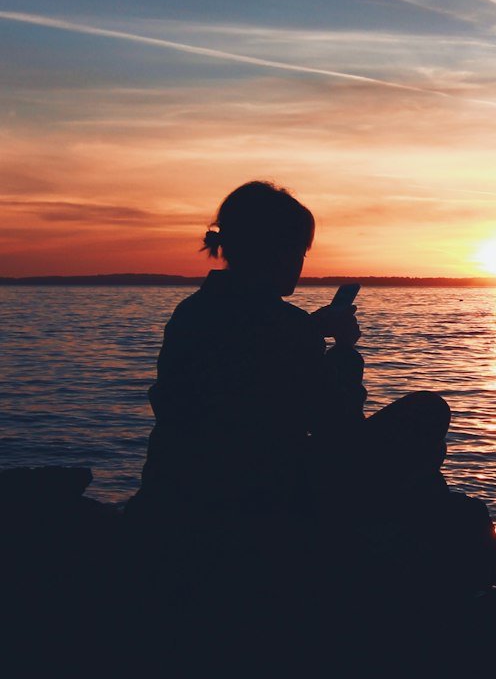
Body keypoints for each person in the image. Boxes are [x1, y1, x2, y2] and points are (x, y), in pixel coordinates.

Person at [126, 180, 456, 540]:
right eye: (300, 251)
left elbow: (244, 358)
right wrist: (344, 349)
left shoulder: (190, 313)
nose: (300, 263)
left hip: (176, 487)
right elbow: (339, 428)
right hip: (258, 498)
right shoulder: (287, 328)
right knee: (427, 411)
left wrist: (311, 331)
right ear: (277, 252)